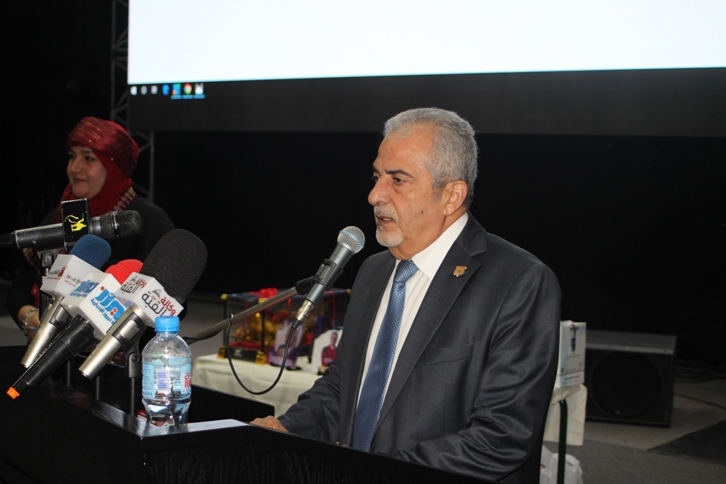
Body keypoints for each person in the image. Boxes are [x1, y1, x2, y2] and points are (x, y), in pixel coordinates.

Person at [252, 108, 561, 482]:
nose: (374, 196)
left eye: (397, 180)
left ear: (451, 196)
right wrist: (286, 429)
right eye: (377, 177)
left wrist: (374, 473)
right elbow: (343, 388)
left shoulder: (518, 281)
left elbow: (501, 436)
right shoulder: (373, 271)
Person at [6, 116, 175, 340]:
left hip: (121, 358)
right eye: (72, 156)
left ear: (114, 167)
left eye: (88, 158)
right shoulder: (57, 218)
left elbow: (171, 303)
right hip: (48, 355)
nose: (75, 167)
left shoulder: (146, 220)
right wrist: (30, 318)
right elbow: (19, 290)